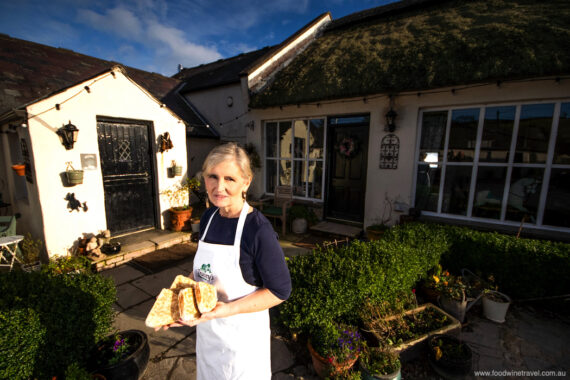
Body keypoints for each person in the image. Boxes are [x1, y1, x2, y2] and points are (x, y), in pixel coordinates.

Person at [162, 142, 291, 380]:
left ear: (246, 181)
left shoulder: (257, 230)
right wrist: (175, 304)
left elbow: (280, 291)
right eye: (213, 176)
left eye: (230, 179)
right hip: (208, 337)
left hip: (241, 345)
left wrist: (227, 310)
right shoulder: (210, 217)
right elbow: (200, 272)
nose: (219, 187)